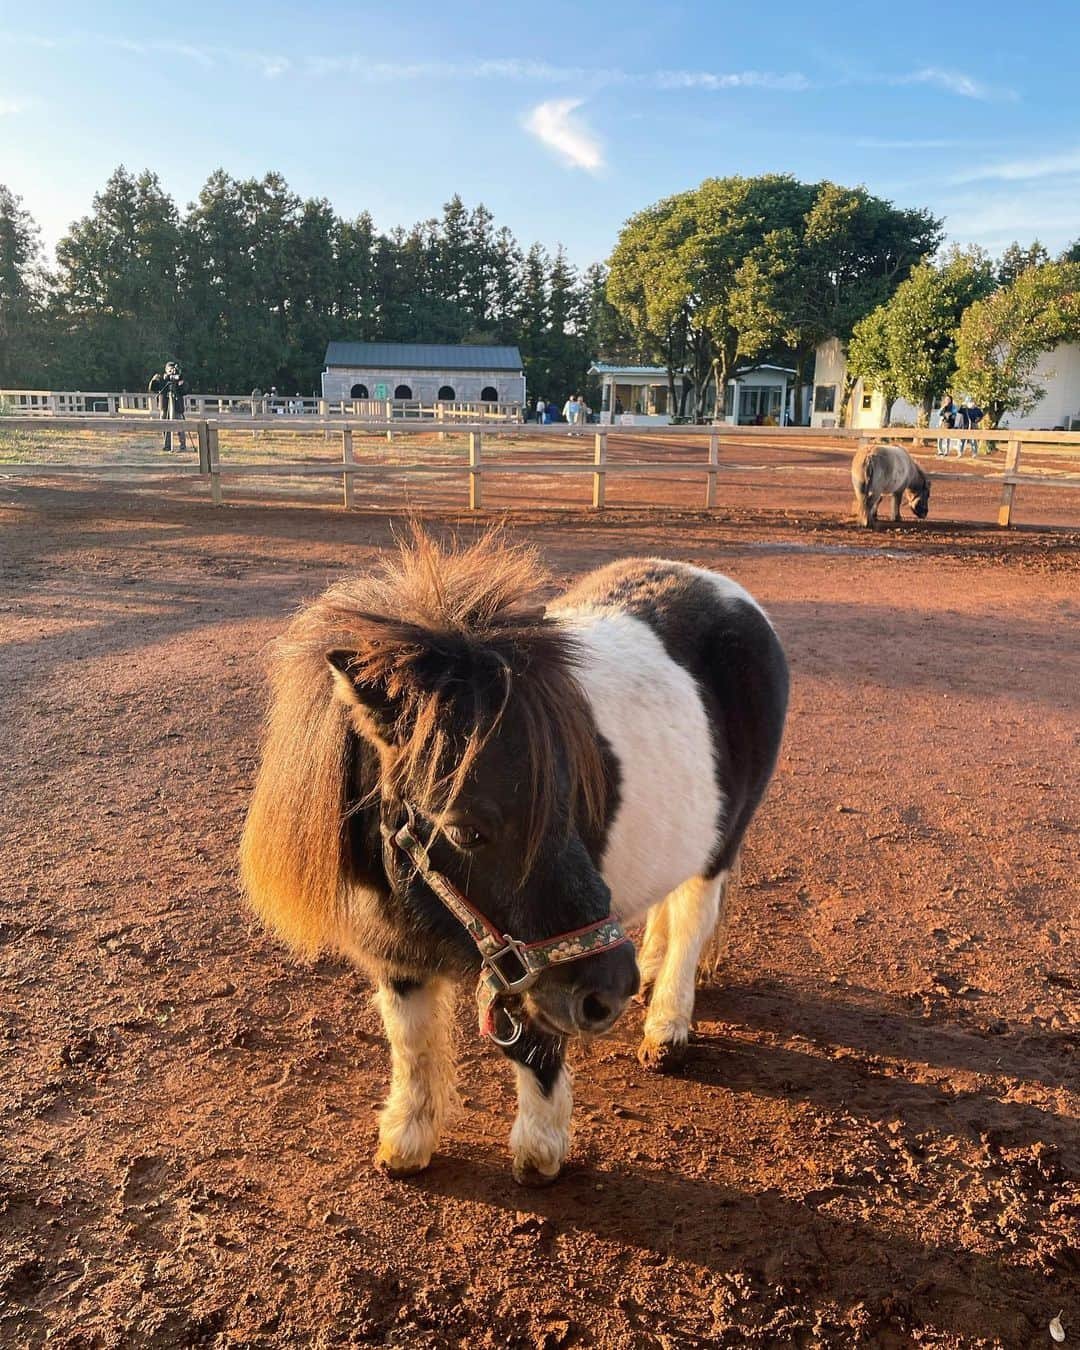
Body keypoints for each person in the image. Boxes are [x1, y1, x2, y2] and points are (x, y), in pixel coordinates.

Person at [148, 360, 189, 452]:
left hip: (177, 407)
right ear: (166, 370)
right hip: (165, 407)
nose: (172, 372)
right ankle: (167, 446)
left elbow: (185, 391)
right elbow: (152, 388)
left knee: (180, 426)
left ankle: (183, 446)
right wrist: (154, 379)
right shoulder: (162, 379)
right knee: (165, 426)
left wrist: (180, 382)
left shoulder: (178, 379)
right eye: (170, 369)